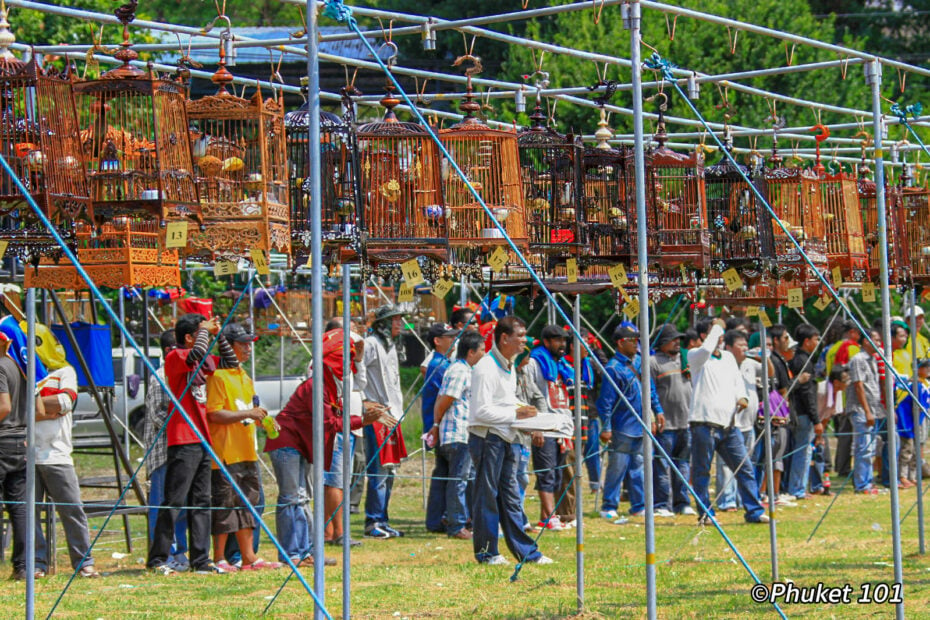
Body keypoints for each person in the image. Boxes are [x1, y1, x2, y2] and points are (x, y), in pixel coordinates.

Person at [265, 336, 383, 565]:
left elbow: (335, 414)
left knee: (301, 498)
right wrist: (361, 421)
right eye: (346, 359)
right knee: (292, 498)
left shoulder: (328, 383)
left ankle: (306, 552)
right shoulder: (316, 385)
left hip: (300, 445)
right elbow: (327, 423)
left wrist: (362, 416)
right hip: (287, 443)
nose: (348, 365)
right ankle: (292, 554)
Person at [147, 313, 239, 575]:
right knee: (174, 501)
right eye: (201, 333)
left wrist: (218, 335)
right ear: (189, 337)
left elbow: (230, 363)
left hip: (202, 438)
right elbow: (196, 353)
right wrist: (204, 332)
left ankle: (201, 560)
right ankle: (158, 559)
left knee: (202, 501)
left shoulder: (201, 358)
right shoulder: (175, 357)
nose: (206, 338)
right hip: (183, 437)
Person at [468, 316, 552, 565]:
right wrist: (516, 413)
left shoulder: (508, 366)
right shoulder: (485, 368)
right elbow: (480, 411)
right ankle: (487, 552)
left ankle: (527, 552)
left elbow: (504, 400)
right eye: (521, 335)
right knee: (487, 495)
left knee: (511, 496)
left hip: (506, 436)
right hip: (487, 438)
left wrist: (528, 413)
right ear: (504, 338)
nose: (525, 341)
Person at [204, 323, 280, 572]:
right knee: (225, 505)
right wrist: (247, 412)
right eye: (243, 344)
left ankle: (249, 556)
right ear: (229, 347)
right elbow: (214, 414)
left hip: (248, 450)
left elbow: (248, 410)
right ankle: (220, 558)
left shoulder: (244, 376)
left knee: (248, 504)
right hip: (225, 453)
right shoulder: (217, 377)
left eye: (250, 343)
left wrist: (262, 419)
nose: (248, 348)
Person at [688, 320, 767, 524]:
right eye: (716, 333)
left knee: (745, 467)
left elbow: (737, 382)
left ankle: (754, 511)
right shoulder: (696, 356)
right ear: (705, 336)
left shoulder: (729, 358)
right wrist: (716, 326)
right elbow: (706, 349)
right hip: (703, 424)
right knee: (702, 472)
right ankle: (706, 513)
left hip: (729, 426)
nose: (720, 337)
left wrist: (743, 398)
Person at [34, 359, 99, 578]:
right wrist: (46, 410)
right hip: (27, 455)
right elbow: (14, 408)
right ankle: (36, 564)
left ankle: (84, 563)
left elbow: (65, 402)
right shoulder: (23, 371)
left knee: (72, 510)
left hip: (58, 455)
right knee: (29, 514)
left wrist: (33, 407)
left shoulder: (64, 371)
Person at [598, 325, 665, 523]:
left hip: (642, 426)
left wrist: (657, 410)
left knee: (639, 469)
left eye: (637, 339)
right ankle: (609, 505)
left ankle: (639, 506)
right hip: (622, 427)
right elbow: (606, 402)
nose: (636, 343)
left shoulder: (641, 362)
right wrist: (606, 427)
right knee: (617, 468)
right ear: (620, 342)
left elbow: (650, 390)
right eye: (632, 339)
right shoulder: (612, 368)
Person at [425, 330, 485, 539]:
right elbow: (445, 399)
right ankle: (457, 525)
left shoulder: (461, 369)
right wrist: (436, 424)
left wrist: (435, 425)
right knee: (458, 480)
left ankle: (439, 521)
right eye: (482, 351)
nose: (484, 355)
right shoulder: (460, 371)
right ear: (470, 352)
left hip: (451, 433)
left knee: (448, 479)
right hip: (457, 434)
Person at [0, 330, 45, 580]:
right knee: (19, 507)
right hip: (21, 440)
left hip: (2, 439)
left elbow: (4, 406)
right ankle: (23, 566)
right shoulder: (21, 367)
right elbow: (36, 409)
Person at [143, 329, 189, 571]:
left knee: (179, 506)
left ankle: (179, 551)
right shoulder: (160, 376)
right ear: (172, 350)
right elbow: (158, 414)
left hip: (183, 452)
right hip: (164, 453)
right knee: (162, 506)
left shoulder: (185, 374)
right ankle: (161, 555)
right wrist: (184, 426)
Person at [362, 305, 408, 538]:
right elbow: (357, 372)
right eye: (395, 320)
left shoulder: (391, 347)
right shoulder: (370, 344)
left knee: (390, 471)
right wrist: (364, 401)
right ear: (383, 323)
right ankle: (373, 521)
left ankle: (384, 518)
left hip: (393, 415)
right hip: (377, 414)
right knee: (379, 471)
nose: (399, 324)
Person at [321, 320, 366, 548]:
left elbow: (360, 384)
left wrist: (358, 359)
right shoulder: (328, 359)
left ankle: (331, 531)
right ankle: (338, 532)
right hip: (336, 426)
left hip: (348, 426)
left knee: (337, 481)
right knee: (335, 481)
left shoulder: (345, 361)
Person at [526, 325, 573, 530]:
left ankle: (546, 516)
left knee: (556, 472)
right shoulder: (535, 363)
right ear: (546, 342)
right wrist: (536, 426)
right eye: (557, 340)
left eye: (564, 340)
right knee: (546, 472)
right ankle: (551, 517)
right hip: (544, 426)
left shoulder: (561, 365)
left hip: (561, 425)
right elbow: (530, 396)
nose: (562, 344)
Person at [716, 329, 763, 513]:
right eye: (740, 345)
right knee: (727, 465)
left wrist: (763, 356)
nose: (745, 348)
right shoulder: (723, 365)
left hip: (749, 424)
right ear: (728, 347)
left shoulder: (751, 364)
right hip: (729, 423)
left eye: (746, 344)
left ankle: (742, 499)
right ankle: (727, 501)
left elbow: (771, 372)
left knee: (747, 465)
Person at [650, 325, 694, 517]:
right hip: (665, 425)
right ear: (661, 342)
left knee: (683, 465)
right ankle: (661, 504)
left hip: (686, 423)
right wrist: (654, 416)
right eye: (672, 339)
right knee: (662, 466)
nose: (677, 342)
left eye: (678, 339)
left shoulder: (686, 360)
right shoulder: (653, 362)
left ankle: (682, 503)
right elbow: (649, 393)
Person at [786, 324, 822, 500]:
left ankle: (797, 486)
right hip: (802, 413)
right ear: (806, 341)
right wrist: (816, 419)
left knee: (800, 450)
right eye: (816, 339)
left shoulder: (797, 359)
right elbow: (807, 393)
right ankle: (797, 488)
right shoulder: (803, 362)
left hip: (796, 413)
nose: (818, 342)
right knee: (803, 451)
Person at [848, 329, 884, 494]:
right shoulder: (858, 359)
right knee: (864, 447)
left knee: (871, 446)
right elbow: (859, 386)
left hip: (872, 408)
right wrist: (867, 411)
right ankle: (862, 484)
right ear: (865, 341)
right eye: (875, 340)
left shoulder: (874, 360)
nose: (878, 343)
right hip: (861, 409)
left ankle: (868, 481)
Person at [812, 365, 849, 495]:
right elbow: (813, 411)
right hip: (810, 423)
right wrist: (816, 430)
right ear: (836, 382)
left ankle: (818, 486)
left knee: (820, 453)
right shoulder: (821, 391)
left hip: (820, 426)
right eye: (845, 380)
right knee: (807, 455)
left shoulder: (837, 393)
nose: (847, 383)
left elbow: (827, 415)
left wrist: (820, 436)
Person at [421, 323, 458, 433]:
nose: (454, 339)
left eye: (454, 336)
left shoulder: (444, 362)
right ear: (437, 341)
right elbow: (449, 396)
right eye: (450, 337)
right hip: (440, 427)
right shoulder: (439, 365)